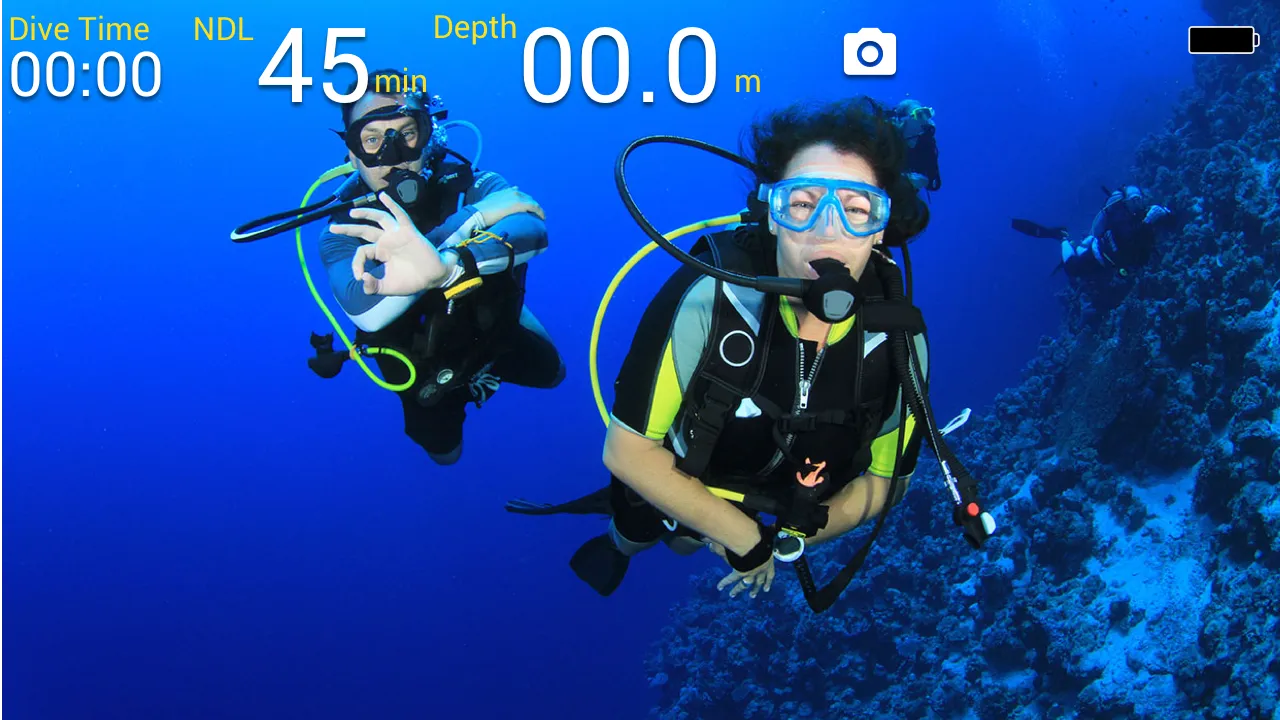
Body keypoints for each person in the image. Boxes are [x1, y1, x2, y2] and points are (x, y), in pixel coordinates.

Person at [505, 98, 993, 610]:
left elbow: (886, 481)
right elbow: (627, 452)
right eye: (801, 204)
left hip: (792, 497)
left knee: (690, 536)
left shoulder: (897, 340)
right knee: (651, 529)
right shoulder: (710, 298)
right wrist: (742, 538)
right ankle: (621, 543)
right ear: (772, 217)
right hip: (683, 469)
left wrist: (790, 539)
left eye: (855, 209)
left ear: (879, 230)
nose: (828, 228)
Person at [318, 69, 565, 465]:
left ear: (429, 132)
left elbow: (533, 229)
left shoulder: (473, 184)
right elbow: (364, 310)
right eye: (372, 139)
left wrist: (452, 266)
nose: (392, 155)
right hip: (421, 371)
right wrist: (466, 227)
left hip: (495, 337)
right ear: (351, 152)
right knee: (446, 454)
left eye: (406, 133)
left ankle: (512, 327)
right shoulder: (343, 230)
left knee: (554, 375)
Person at [1013, 184, 1173, 279]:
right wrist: (1148, 221)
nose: (1137, 203)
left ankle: (1077, 242)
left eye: (1140, 199)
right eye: (1133, 200)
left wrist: (1165, 214)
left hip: (1114, 261)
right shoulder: (1119, 216)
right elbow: (1128, 237)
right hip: (1098, 254)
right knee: (1072, 269)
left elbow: (1172, 223)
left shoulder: (1142, 215)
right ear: (1126, 202)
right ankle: (1062, 237)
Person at [890, 99, 941, 193]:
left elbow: (933, 181)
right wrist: (903, 178)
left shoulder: (925, 143)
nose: (925, 121)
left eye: (926, 115)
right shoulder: (886, 141)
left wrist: (925, 181)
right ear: (903, 120)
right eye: (919, 115)